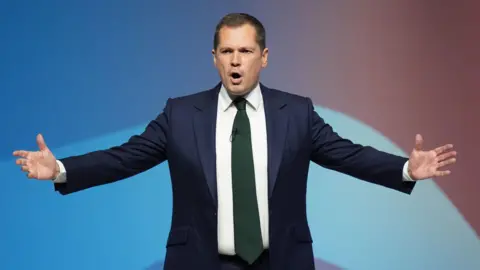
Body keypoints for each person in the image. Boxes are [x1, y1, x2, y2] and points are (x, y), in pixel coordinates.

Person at [13, 13, 457, 270]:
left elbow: (347, 155)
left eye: (245, 51)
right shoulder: (181, 113)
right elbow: (126, 157)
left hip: (279, 261)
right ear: (214, 59)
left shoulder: (296, 112)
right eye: (226, 51)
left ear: (263, 57)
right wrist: (62, 169)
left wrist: (405, 168)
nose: (235, 61)